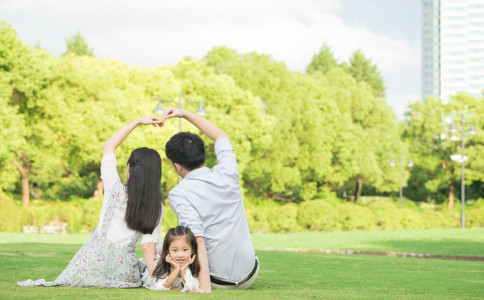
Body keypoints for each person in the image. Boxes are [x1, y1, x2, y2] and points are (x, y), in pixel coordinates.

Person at [17, 116, 164, 288]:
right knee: (145, 264)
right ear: (155, 176)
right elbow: (148, 247)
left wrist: (137, 122)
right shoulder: (156, 206)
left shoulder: (114, 190)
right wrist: (155, 281)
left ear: (129, 168)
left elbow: (108, 146)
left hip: (91, 263)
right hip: (124, 271)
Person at [161, 107, 259, 292]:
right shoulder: (228, 172)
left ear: (177, 166)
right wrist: (185, 114)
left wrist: (204, 285)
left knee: (168, 248)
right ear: (203, 154)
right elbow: (220, 135)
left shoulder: (179, 193)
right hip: (250, 274)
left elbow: (198, 239)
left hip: (216, 280)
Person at [139, 226, 200, 292]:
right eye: (175, 250)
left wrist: (183, 270)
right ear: (168, 250)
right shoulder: (161, 265)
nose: (180, 255)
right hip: (142, 268)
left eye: (185, 250)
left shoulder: (194, 263)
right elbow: (161, 287)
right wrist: (176, 269)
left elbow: (192, 288)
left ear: (192, 250)